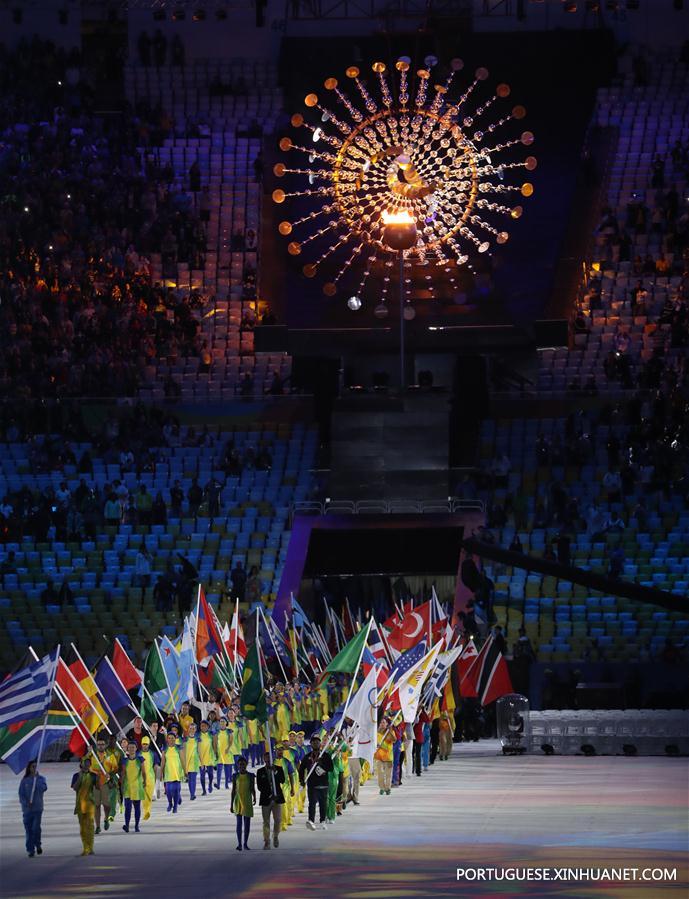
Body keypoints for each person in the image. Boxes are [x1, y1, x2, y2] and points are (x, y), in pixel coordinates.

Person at [299, 734, 333, 830]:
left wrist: (321, 763)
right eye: (313, 742)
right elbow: (301, 769)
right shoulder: (307, 757)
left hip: (323, 784)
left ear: (320, 743)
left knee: (323, 803)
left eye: (317, 742)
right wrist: (301, 780)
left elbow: (331, 768)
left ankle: (322, 821)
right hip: (312, 784)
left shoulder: (325, 755)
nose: (315, 743)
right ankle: (311, 821)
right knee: (312, 803)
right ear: (310, 744)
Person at [256, 749, 285, 849]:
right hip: (266, 800)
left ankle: (275, 836)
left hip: (277, 799)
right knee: (266, 821)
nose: (268, 759)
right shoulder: (260, 771)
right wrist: (269, 795)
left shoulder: (279, 768)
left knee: (278, 820)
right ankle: (267, 841)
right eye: (266, 757)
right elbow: (259, 787)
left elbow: (282, 780)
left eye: (270, 757)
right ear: (264, 759)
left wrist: (275, 772)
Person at [19, 760, 47, 858]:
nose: (34, 768)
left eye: (36, 767)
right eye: (32, 767)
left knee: (36, 828)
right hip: (27, 810)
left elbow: (44, 788)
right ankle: (30, 849)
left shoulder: (41, 779)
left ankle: (38, 844)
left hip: (37, 808)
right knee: (28, 830)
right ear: (29, 768)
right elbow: (21, 794)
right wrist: (26, 803)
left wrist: (36, 781)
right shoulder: (24, 780)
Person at [71, 756, 98, 857]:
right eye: (85, 763)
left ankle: (90, 848)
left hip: (90, 803)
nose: (87, 765)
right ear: (81, 764)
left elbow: (98, 787)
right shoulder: (76, 776)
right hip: (80, 804)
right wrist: (80, 777)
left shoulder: (93, 776)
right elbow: (75, 788)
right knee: (83, 828)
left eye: (88, 763)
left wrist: (105, 778)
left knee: (90, 826)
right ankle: (85, 847)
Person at [120, 742, 146, 833]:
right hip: (128, 786)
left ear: (136, 748)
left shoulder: (140, 759)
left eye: (133, 747)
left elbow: (143, 772)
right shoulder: (124, 760)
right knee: (127, 807)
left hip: (137, 786)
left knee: (137, 807)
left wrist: (145, 781)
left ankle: (136, 826)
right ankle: (126, 825)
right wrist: (121, 784)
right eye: (129, 747)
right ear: (127, 749)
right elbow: (123, 773)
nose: (131, 749)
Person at [231, 757, 256, 851]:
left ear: (246, 765)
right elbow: (233, 790)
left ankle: (245, 843)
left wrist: (254, 797)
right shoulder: (235, 776)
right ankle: (239, 843)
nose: (242, 766)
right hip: (238, 801)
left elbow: (252, 788)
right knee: (239, 823)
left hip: (247, 800)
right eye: (240, 764)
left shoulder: (250, 776)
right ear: (238, 765)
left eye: (243, 764)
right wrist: (231, 804)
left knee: (247, 824)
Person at [161, 732, 184, 814]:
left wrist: (185, 770)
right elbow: (163, 761)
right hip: (168, 772)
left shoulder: (179, 747)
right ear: (167, 739)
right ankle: (170, 803)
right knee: (168, 790)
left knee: (176, 789)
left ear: (175, 739)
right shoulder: (165, 748)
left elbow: (182, 759)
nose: (171, 739)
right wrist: (161, 772)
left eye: (172, 738)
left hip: (177, 771)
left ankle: (175, 807)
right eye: (169, 738)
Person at [375, 718, 394, 795]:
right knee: (380, 773)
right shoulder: (376, 732)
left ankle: (388, 788)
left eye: (384, 722)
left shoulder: (389, 732)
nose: (382, 724)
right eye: (381, 722)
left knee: (388, 773)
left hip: (388, 756)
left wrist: (390, 731)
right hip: (379, 756)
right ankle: (382, 788)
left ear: (386, 724)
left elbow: (394, 740)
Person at [183, 722, 200, 800]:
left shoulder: (197, 739)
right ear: (188, 729)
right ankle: (191, 793)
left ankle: (192, 794)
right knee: (190, 779)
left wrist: (202, 762)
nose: (192, 730)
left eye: (193, 729)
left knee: (193, 778)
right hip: (187, 761)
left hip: (195, 761)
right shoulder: (185, 739)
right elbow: (183, 751)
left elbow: (199, 751)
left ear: (195, 730)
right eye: (190, 728)